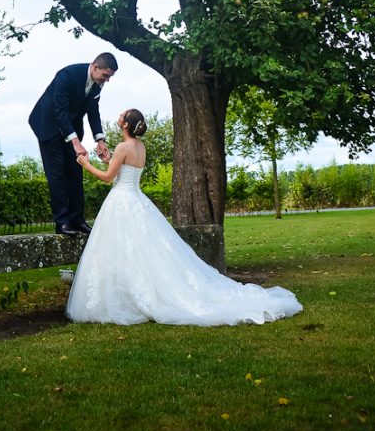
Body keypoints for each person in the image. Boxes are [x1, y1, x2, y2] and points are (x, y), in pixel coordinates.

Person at [66, 108, 303, 325]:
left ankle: (124, 297)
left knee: (124, 251)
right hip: (135, 199)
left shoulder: (122, 147)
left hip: (122, 201)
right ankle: (130, 292)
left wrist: (85, 163)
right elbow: (122, 170)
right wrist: (108, 160)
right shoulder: (139, 147)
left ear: (126, 124)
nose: (119, 117)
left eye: (122, 115)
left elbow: (109, 178)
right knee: (140, 252)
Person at [29, 52, 118, 235]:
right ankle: (62, 223)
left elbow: (93, 112)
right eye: (105, 75)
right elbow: (60, 110)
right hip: (48, 126)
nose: (107, 80)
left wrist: (100, 140)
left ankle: (77, 220)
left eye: (110, 77)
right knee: (58, 174)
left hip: (70, 127)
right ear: (95, 67)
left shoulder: (97, 84)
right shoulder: (67, 76)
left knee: (76, 172)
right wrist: (76, 142)